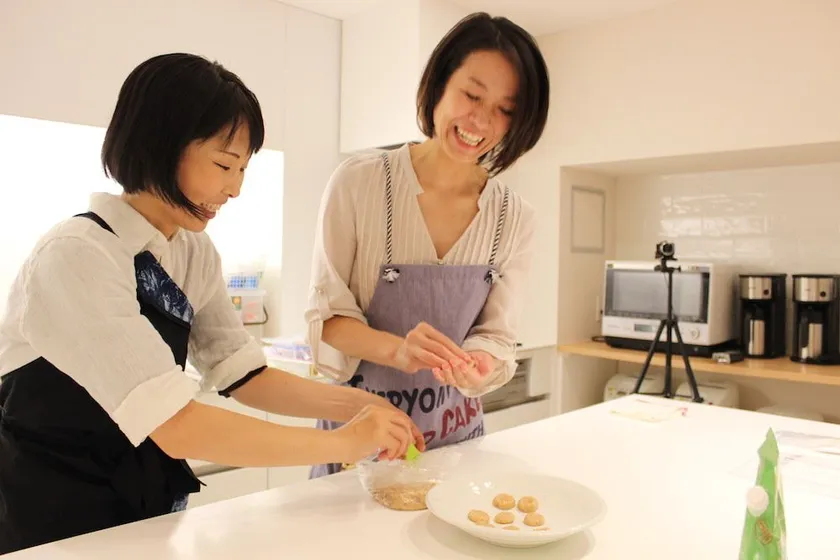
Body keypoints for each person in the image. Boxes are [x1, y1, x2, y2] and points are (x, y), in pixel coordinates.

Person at [0, 53, 423, 554]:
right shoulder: (77, 255)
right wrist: (344, 442)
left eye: (242, 169)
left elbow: (243, 373)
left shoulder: (192, 250)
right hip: (50, 514)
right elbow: (175, 425)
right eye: (224, 165)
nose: (235, 188)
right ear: (159, 144)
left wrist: (361, 404)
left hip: (141, 509)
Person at [305, 12, 550, 478]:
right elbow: (329, 320)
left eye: (505, 109)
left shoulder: (513, 217)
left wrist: (479, 363)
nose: (481, 120)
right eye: (472, 95)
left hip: (456, 445)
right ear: (439, 85)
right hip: (361, 442)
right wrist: (399, 351)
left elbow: (497, 335)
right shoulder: (359, 184)